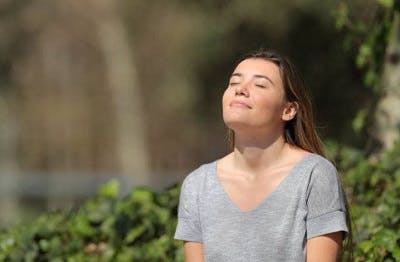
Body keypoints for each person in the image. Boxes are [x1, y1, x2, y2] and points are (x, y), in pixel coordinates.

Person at [174, 49, 350, 261]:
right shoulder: (197, 185)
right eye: (233, 83)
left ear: (289, 110)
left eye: (259, 85)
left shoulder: (315, 175)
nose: (240, 90)